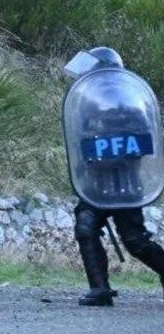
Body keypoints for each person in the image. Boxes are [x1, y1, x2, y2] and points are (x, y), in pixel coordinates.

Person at [64, 47, 164, 306]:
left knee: (135, 241)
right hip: (96, 181)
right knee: (85, 227)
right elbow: (79, 141)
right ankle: (100, 289)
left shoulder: (131, 102)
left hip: (125, 180)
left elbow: (143, 143)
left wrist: (111, 150)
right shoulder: (89, 104)